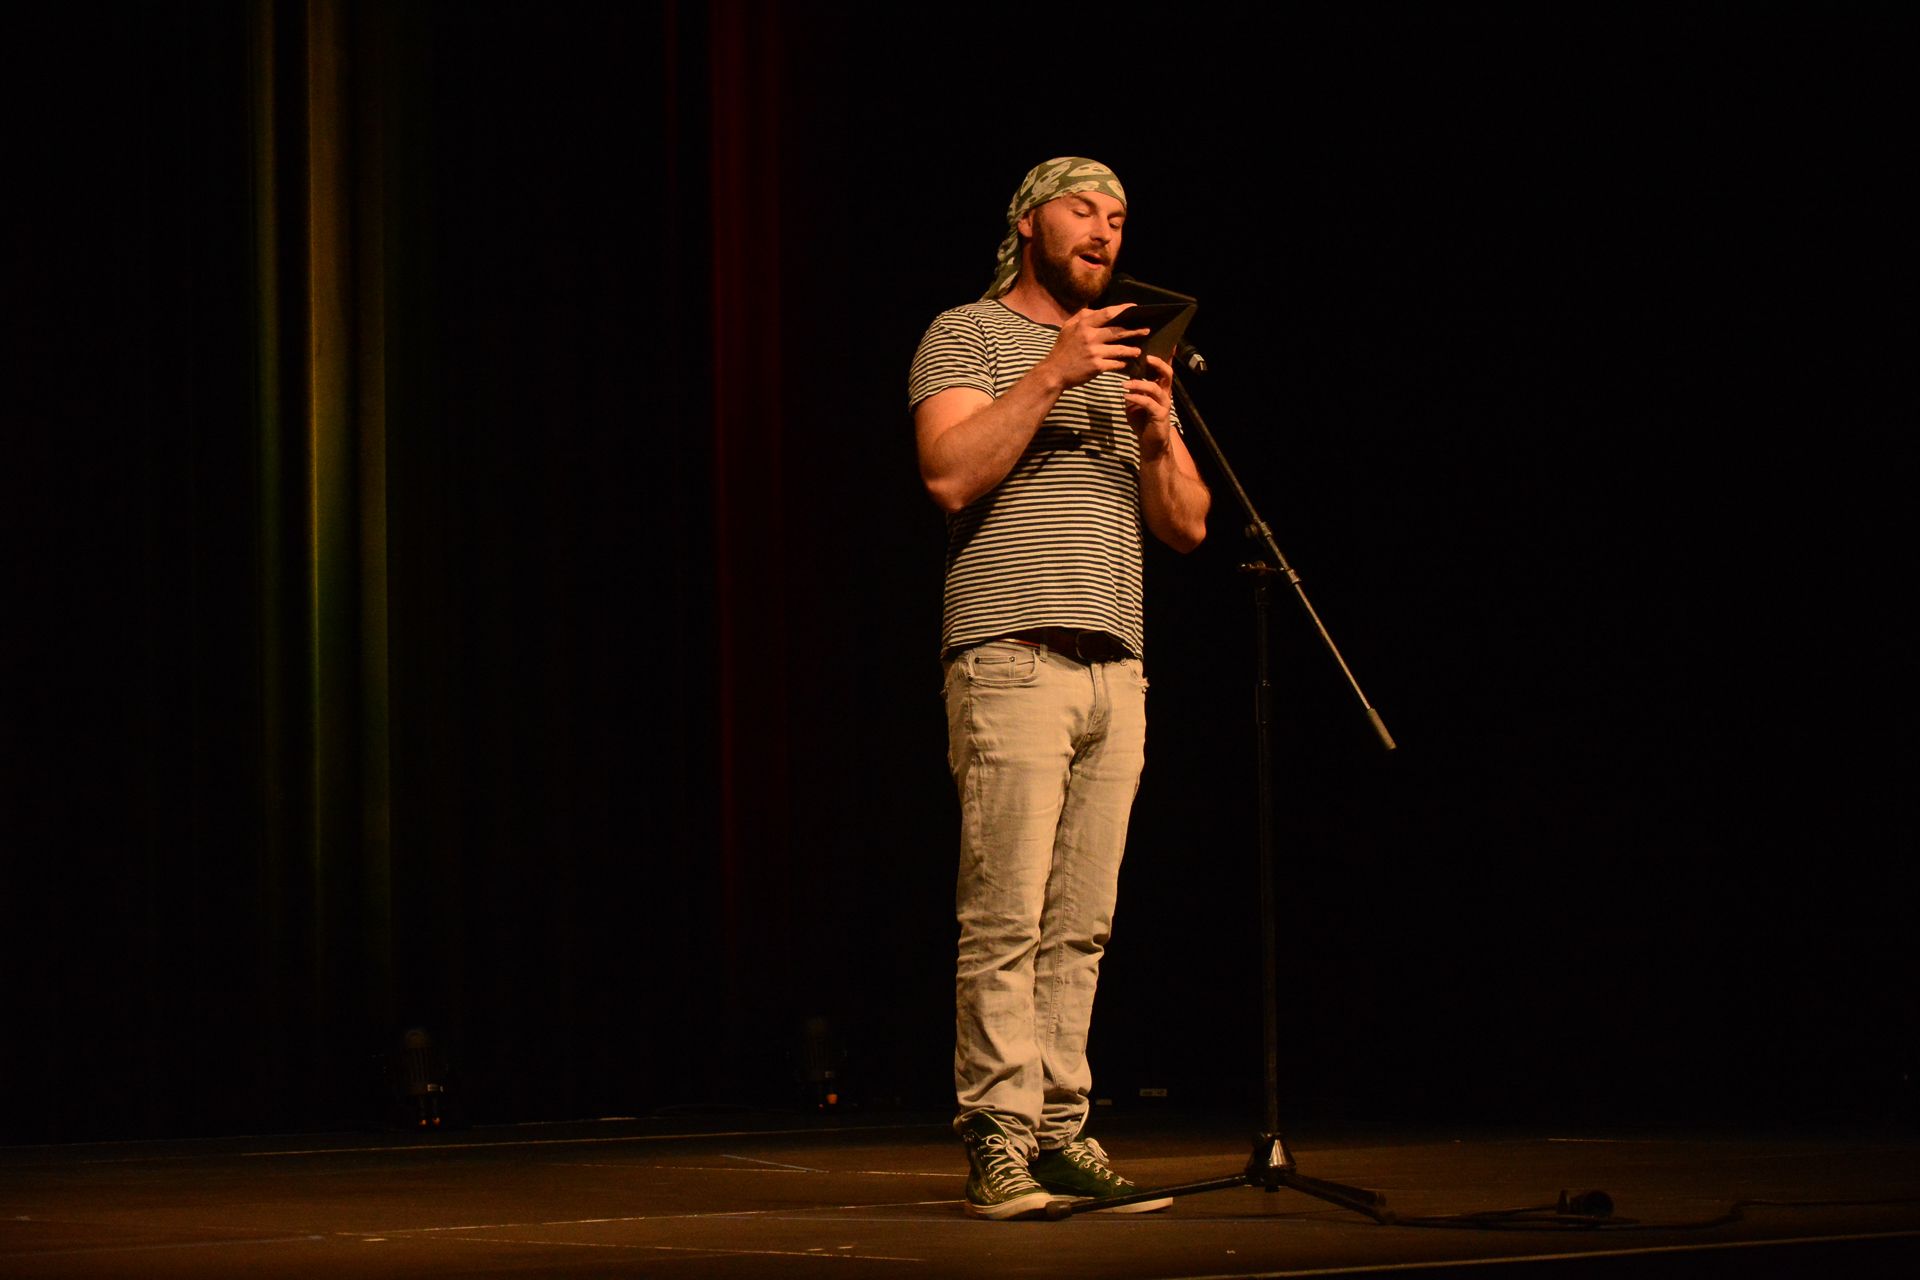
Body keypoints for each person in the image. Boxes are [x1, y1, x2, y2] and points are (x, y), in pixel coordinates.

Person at [908, 157, 1211, 1219]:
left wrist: (1157, 431)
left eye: (1120, 217)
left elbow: (1188, 525)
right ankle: (996, 1142)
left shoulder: (1127, 360)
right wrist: (1051, 373)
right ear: (1029, 222)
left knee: (1081, 922)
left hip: (1115, 668)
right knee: (1006, 917)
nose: (1106, 231)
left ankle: (1059, 1131)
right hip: (1012, 654)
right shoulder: (969, 334)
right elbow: (948, 472)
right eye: (1085, 209)